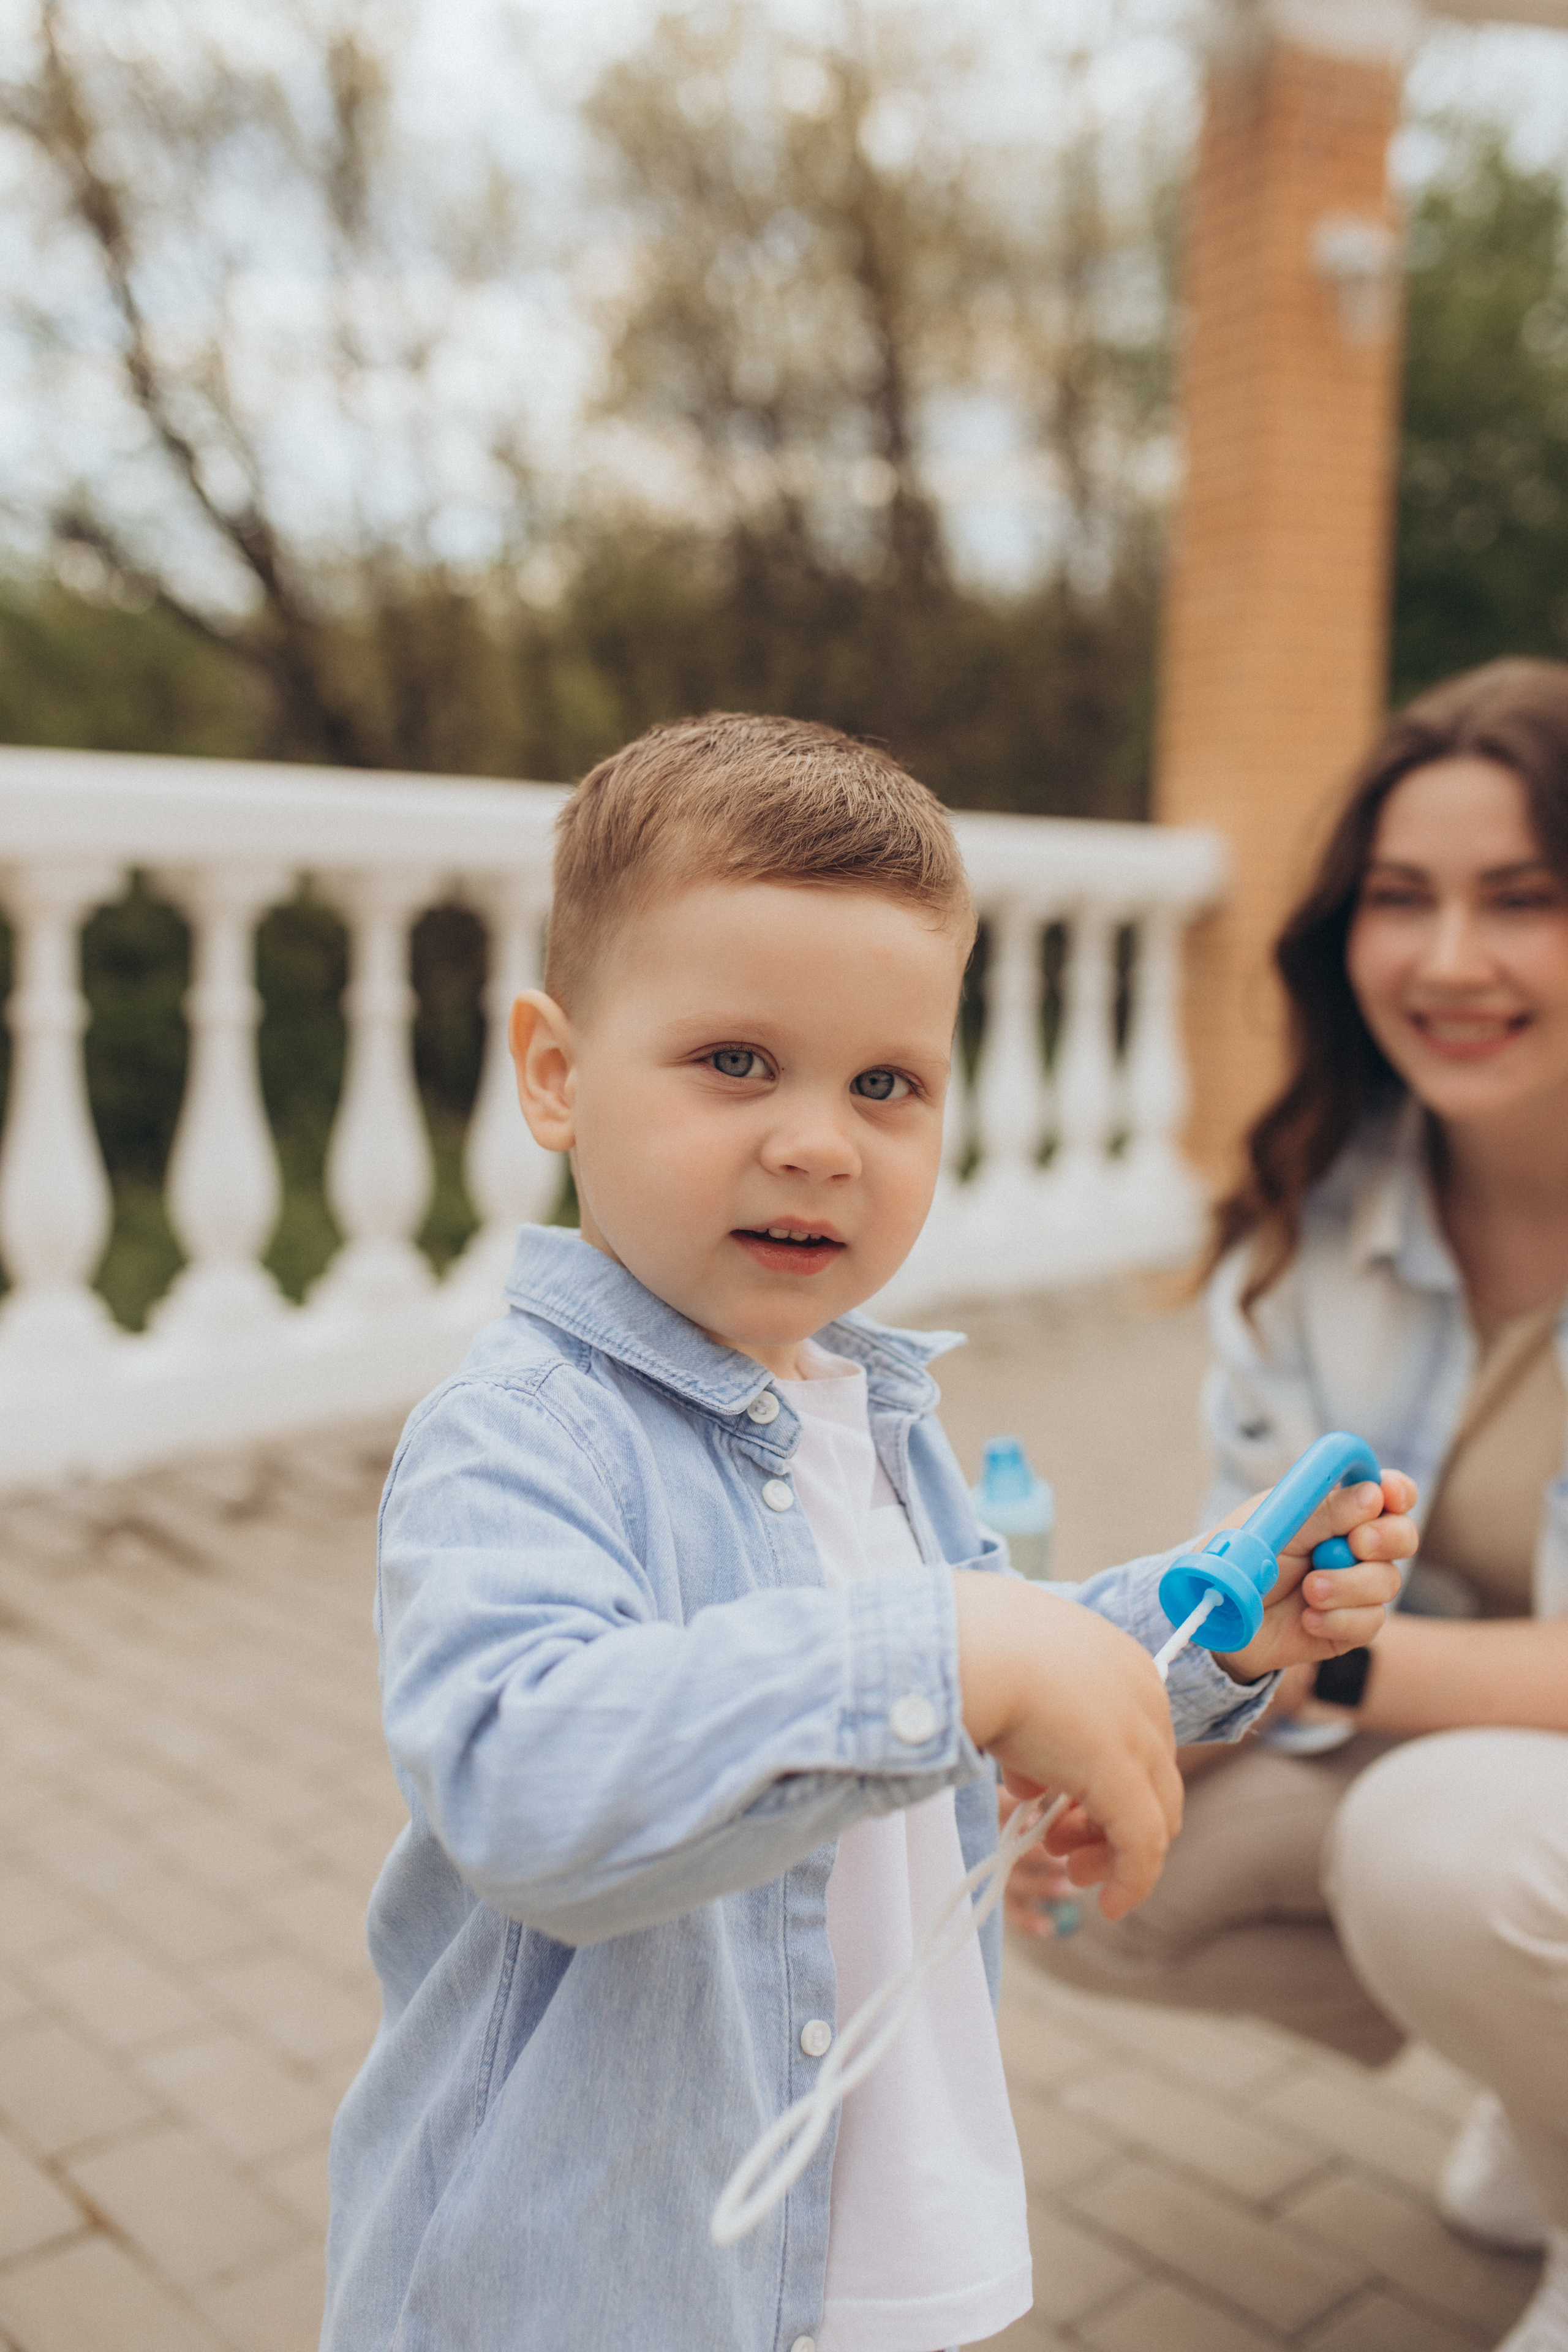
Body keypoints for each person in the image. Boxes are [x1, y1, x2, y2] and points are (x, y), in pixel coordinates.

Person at [318, 712, 1411, 2352]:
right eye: (736, 1061)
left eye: (886, 1083)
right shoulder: (523, 1435)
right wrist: (951, 1652)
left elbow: (986, 1669)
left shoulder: (870, 1408)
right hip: (600, 2282)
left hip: (855, 2245)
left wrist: (1219, 1623)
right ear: (554, 1072)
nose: (819, 1140)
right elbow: (519, 1776)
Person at [1009, 657, 1568, 2352]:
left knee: (1436, 1844)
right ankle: (1545, 2094)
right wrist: (1109, 1727)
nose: (1450, 961)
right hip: (1467, 1766)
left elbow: (1321, 1647)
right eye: (1404, 901)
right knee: (1075, 1868)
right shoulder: (1325, 1210)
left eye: (1524, 901)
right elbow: (1255, 1563)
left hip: (1472, 1791)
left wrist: (1324, 1671)